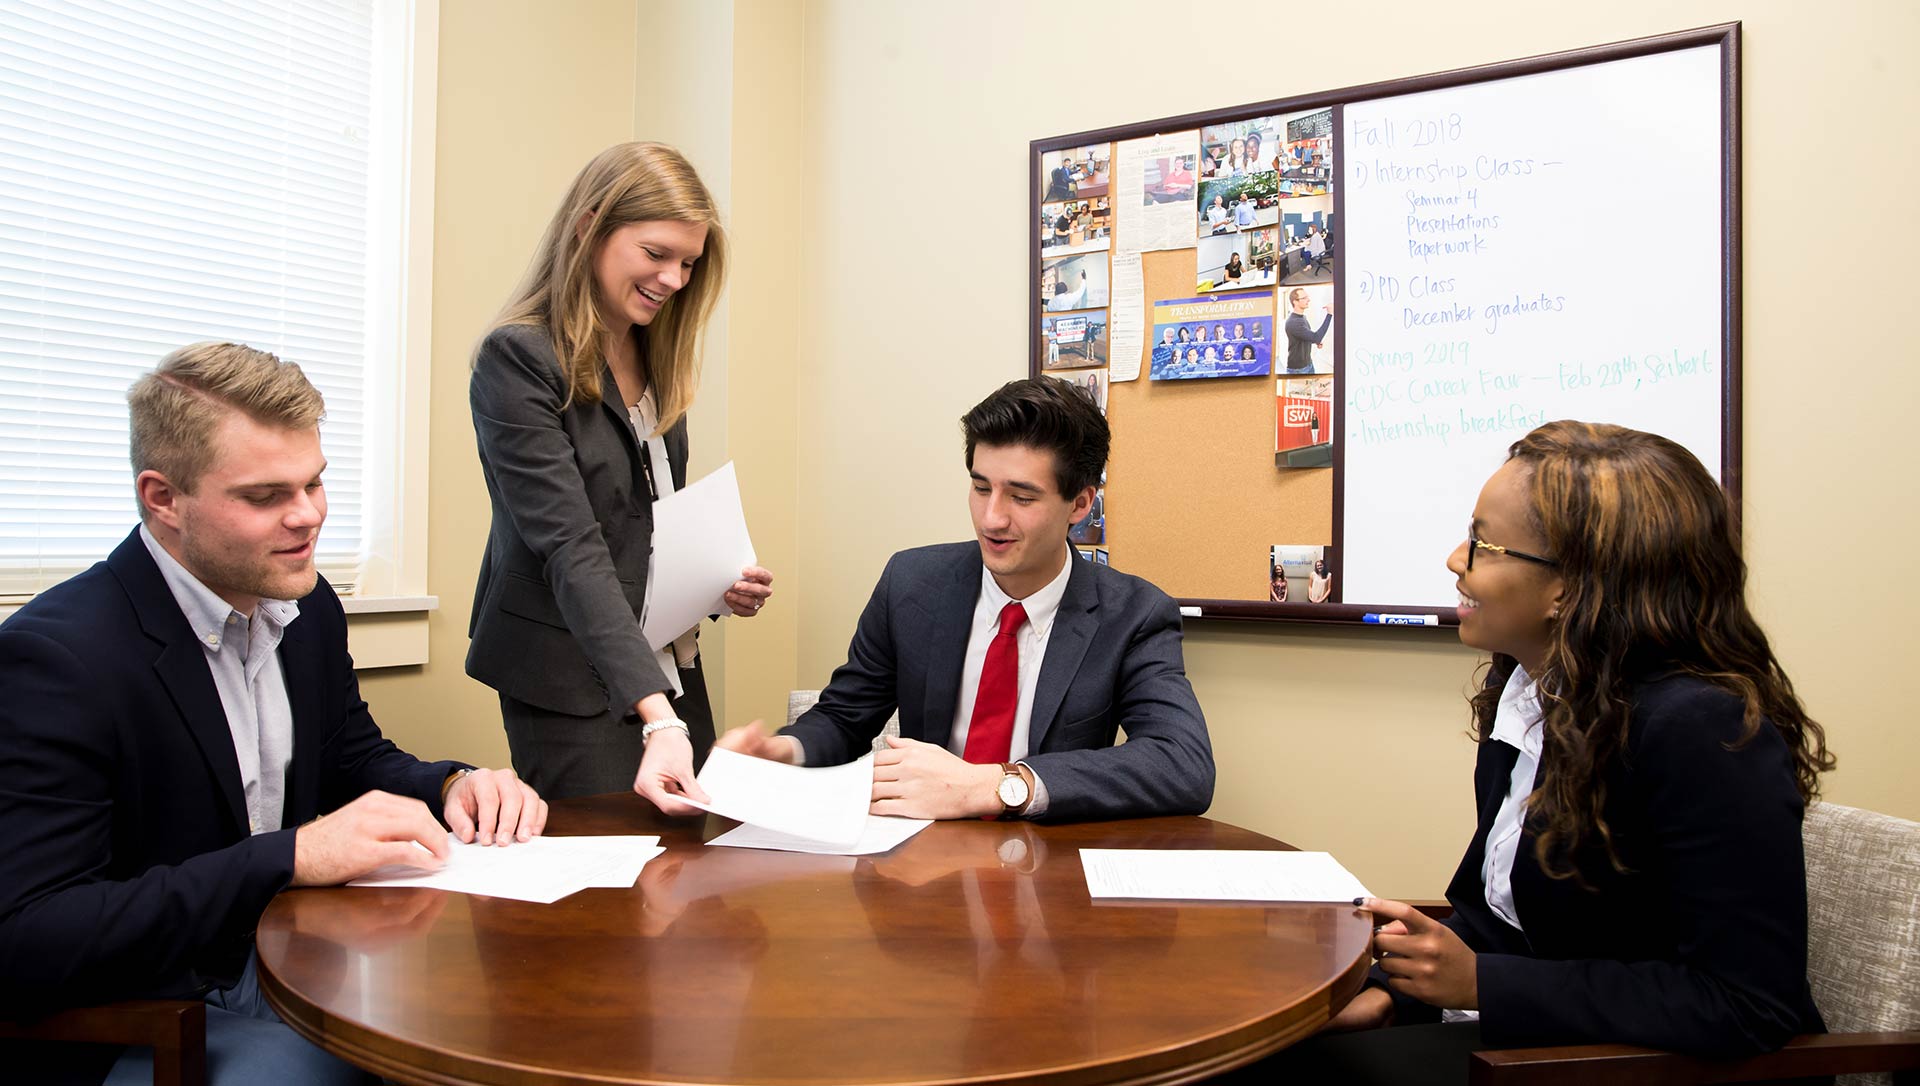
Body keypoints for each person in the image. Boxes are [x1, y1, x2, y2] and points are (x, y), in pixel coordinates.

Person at [0, 342, 549, 1086]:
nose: (308, 517)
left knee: (492, 1024)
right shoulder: (58, 659)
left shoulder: (304, 601)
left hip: (292, 957)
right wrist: (291, 856)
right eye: (265, 497)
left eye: (315, 483)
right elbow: (33, 935)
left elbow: (350, 756)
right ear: (162, 498)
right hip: (151, 1008)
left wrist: (451, 785)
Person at [1270, 421, 1833, 1084]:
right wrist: (1396, 992)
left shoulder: (1702, 728)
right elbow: (1498, 917)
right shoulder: (1533, 694)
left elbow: (1746, 1006)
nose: (1457, 558)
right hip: (1541, 1042)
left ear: (1572, 586)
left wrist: (1482, 984)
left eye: (1483, 542)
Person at [715, 379, 1213, 822]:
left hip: (1046, 876)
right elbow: (844, 719)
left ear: (1080, 504)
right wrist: (785, 751)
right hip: (918, 867)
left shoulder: (1134, 614)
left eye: (1021, 497)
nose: (991, 519)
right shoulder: (912, 582)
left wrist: (998, 785)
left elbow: (1181, 764)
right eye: (980, 488)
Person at [468, 142, 774, 804]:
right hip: (569, 672)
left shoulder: (655, 356)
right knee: (609, 883)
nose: (674, 279)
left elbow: (643, 524)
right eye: (657, 254)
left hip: (665, 663)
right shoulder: (518, 360)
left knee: (687, 862)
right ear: (590, 227)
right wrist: (656, 714)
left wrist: (715, 584)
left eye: (689, 263)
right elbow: (571, 545)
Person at [1284, 287, 1333, 373]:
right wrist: (1329, 314)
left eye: (1307, 297)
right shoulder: (1294, 322)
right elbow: (1316, 337)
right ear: (1295, 302)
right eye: (1304, 298)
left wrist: (1314, 341)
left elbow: (1304, 336)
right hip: (1298, 370)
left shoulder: (1302, 317)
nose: (1308, 300)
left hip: (1308, 364)